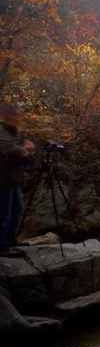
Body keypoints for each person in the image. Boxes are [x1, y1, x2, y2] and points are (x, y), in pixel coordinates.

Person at [0, 104, 34, 256]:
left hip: (13, 179)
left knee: (17, 211)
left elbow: (21, 145)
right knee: (3, 213)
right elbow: (9, 148)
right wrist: (25, 151)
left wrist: (28, 147)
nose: (21, 118)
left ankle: (10, 240)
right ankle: (1, 246)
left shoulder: (13, 131)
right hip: (3, 178)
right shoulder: (2, 131)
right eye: (19, 115)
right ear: (10, 116)